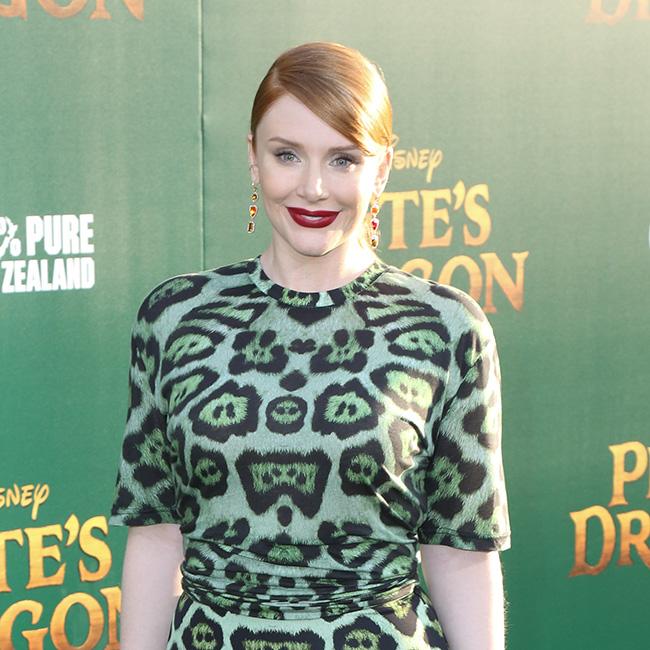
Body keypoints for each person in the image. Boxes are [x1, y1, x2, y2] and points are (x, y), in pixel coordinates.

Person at [108, 41, 511, 650]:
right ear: (253, 158)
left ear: (382, 168)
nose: (314, 187)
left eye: (344, 159)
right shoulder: (175, 317)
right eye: (287, 155)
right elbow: (156, 534)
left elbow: (460, 552)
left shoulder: (446, 327)